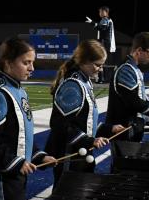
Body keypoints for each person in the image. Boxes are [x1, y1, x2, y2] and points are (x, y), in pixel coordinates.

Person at [0, 37, 56, 200]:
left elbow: (20, 134)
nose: (32, 68)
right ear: (8, 63)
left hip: (14, 173)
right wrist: (14, 162)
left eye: (32, 63)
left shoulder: (18, 90)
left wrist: (39, 156)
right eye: (26, 63)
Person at [45, 39, 127, 184]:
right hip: (69, 154)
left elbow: (85, 121)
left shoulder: (85, 81)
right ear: (84, 61)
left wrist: (109, 129)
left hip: (80, 151)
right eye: (97, 65)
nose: (100, 69)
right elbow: (60, 124)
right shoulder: (73, 85)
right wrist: (90, 140)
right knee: (65, 198)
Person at [86, 6, 116, 82]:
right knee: (103, 61)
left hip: (105, 44)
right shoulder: (106, 20)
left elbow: (102, 28)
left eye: (101, 11)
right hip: (106, 44)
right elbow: (102, 27)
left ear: (105, 12)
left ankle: (103, 79)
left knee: (101, 61)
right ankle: (102, 78)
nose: (99, 13)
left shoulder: (105, 19)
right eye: (99, 12)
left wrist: (92, 22)